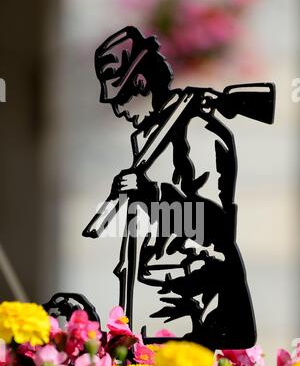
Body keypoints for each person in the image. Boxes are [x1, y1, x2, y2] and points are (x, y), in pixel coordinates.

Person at [83, 26, 274, 349]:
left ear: (141, 83)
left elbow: (216, 224)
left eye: (121, 98)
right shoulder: (145, 137)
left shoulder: (200, 130)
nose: (118, 110)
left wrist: (152, 194)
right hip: (154, 297)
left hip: (199, 304)